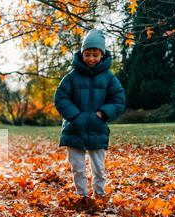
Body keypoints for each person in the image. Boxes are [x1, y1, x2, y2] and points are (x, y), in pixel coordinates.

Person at [54, 29, 126, 202]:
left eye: (95, 54)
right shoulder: (71, 77)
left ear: (102, 54)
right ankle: (82, 197)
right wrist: (75, 116)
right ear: (82, 53)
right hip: (74, 128)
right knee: (77, 168)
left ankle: (99, 194)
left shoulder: (109, 78)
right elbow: (61, 97)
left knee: (99, 167)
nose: (91, 58)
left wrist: (103, 113)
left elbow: (119, 99)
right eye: (87, 54)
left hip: (97, 128)